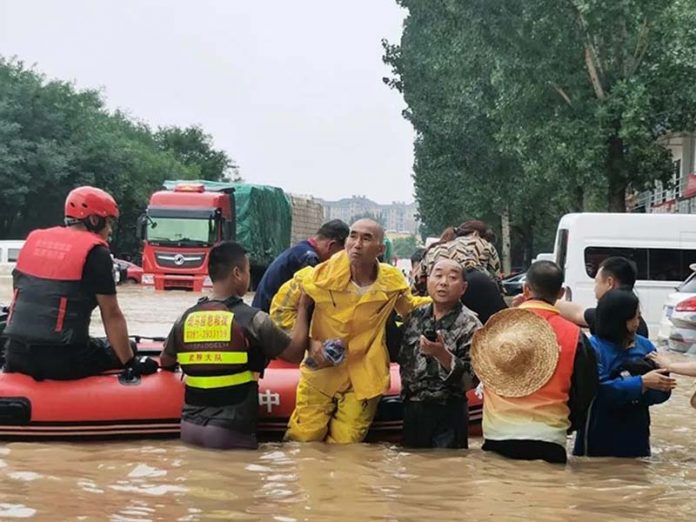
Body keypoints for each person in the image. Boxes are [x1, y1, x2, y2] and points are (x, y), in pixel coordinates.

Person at [270, 218, 429, 443]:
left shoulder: (392, 282)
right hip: (322, 368)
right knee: (304, 438)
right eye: (353, 236)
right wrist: (307, 343)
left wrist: (444, 301)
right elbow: (280, 310)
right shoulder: (318, 276)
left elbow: (409, 309)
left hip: (365, 371)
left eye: (366, 238)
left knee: (348, 445)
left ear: (380, 249)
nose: (357, 244)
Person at [159, 241, 313, 450]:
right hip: (230, 431)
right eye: (248, 271)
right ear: (237, 273)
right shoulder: (254, 319)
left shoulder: (185, 318)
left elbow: (166, 360)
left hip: (189, 428)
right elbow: (295, 354)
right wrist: (303, 307)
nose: (249, 277)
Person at [3, 186, 155, 380]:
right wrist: (131, 363)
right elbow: (111, 315)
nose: (109, 230)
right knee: (128, 347)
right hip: (63, 361)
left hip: (15, 355)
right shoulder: (96, 253)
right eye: (108, 223)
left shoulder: (34, 240)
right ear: (94, 220)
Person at [474, 261, 598, 464]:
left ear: (525, 289)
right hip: (549, 437)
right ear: (561, 293)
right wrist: (568, 424)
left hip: (498, 435)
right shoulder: (575, 336)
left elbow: (481, 376)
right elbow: (586, 390)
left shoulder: (497, 327)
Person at [573, 289, 675, 458]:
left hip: (636, 434)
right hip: (598, 433)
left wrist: (654, 386)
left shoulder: (645, 347)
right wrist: (641, 382)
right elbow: (598, 390)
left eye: (639, 316)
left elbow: (662, 392)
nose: (637, 323)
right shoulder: (593, 348)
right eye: (633, 317)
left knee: (634, 479)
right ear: (617, 319)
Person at [398, 259, 480, 449]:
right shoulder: (414, 317)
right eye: (438, 275)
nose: (443, 282)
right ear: (428, 281)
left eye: (452, 278)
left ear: (463, 288)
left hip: (448, 413)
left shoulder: (471, 325)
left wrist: (442, 355)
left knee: (446, 472)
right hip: (412, 409)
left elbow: (472, 381)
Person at [252, 219, 349, 312]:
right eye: (339, 255)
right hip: (270, 319)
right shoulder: (309, 259)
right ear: (331, 245)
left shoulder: (301, 249)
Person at [555, 256, 649, 337]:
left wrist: (546, 298)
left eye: (596, 281)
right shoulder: (641, 327)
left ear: (609, 283)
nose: (594, 289)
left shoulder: (605, 319)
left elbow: (577, 313)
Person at [418, 220, 502, 291]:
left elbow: (418, 283)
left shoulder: (433, 249)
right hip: (473, 293)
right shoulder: (483, 243)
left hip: (439, 294)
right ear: (475, 234)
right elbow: (497, 281)